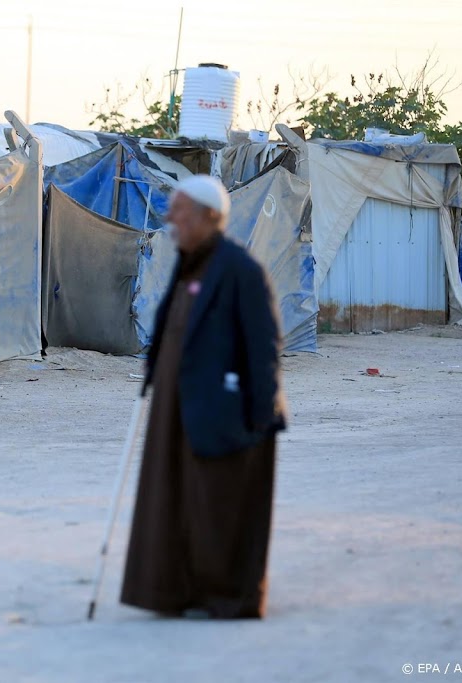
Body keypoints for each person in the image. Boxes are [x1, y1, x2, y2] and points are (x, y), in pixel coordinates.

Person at [120, 174, 287, 620]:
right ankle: (175, 590)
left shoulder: (240, 270)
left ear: (208, 218)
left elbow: (264, 345)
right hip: (178, 408)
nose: (170, 220)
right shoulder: (189, 262)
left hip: (225, 412)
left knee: (219, 505)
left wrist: (259, 417)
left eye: (180, 212)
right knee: (175, 500)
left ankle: (227, 596)